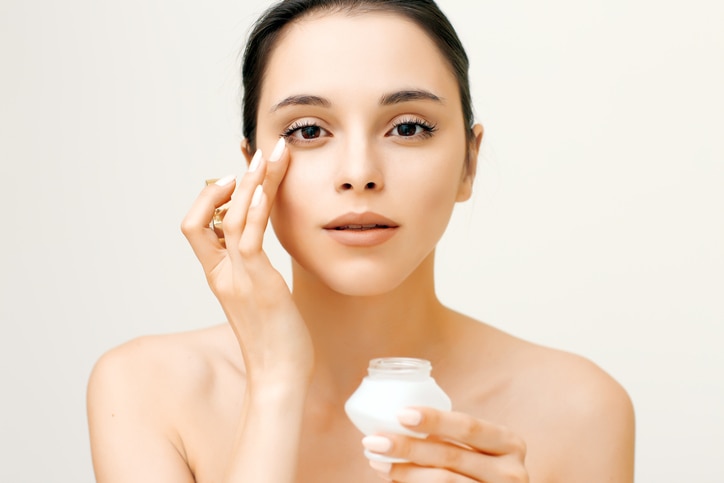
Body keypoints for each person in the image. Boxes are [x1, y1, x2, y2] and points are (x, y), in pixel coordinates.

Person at [87, 0, 635, 481]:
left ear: (469, 162)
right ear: (253, 168)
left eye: (409, 127)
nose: (359, 173)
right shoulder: (147, 391)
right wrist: (276, 381)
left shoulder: (579, 411)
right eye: (307, 130)